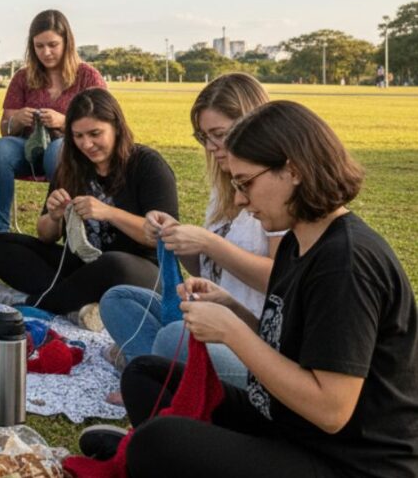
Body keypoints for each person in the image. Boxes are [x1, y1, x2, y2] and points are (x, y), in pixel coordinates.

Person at [81, 100, 418, 477]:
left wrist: (231, 331)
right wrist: (230, 307)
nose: (240, 199)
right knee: (144, 375)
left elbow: (331, 410)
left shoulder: (346, 263)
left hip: (347, 460)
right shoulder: (298, 241)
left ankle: (153, 453)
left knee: (158, 441)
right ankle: (157, 456)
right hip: (287, 423)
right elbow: (293, 341)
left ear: (293, 170)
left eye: (245, 183)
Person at [99, 73, 280, 389]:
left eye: (219, 134)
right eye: (203, 137)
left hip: (252, 340)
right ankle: (158, 371)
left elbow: (280, 280)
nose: (211, 148)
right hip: (213, 316)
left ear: (251, 126)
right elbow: (210, 268)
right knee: (118, 299)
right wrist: (178, 239)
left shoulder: (276, 194)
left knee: (170, 338)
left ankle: (154, 375)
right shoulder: (223, 190)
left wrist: (208, 243)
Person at [0, 88, 178, 315]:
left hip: (139, 270)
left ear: (117, 128)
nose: (87, 144)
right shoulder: (72, 166)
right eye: (78, 136)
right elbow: (46, 235)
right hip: (83, 266)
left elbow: (165, 236)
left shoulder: (147, 165)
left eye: (95, 134)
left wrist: (109, 213)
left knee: (112, 264)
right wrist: (54, 216)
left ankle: (34, 302)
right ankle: (77, 306)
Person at [0, 10, 105, 235]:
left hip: (72, 150)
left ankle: (56, 228)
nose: (46, 52)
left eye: (52, 45)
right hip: (28, 148)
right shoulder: (23, 77)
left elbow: (105, 122)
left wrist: (65, 122)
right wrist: (17, 119)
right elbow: (5, 129)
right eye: (39, 46)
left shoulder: (87, 76)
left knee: (58, 151)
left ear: (67, 42)